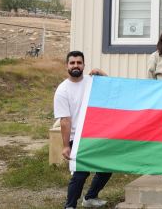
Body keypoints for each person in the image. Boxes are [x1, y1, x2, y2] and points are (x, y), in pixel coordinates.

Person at [54, 51, 110, 209]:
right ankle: (70, 206)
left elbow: (112, 87)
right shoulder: (62, 90)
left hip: (96, 134)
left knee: (107, 167)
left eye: (79, 63)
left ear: (84, 65)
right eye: (72, 63)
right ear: (67, 66)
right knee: (81, 173)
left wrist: (102, 73)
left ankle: (90, 198)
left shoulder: (92, 81)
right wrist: (66, 146)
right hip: (77, 138)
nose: (76, 65)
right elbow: (65, 121)